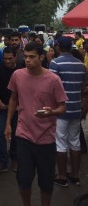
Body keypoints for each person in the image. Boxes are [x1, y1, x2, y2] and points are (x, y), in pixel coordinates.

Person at [5, 42, 67, 206]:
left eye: (32, 57)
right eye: (25, 57)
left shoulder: (54, 80)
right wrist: (8, 124)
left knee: (46, 182)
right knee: (24, 179)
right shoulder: (17, 76)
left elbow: (62, 106)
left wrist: (52, 112)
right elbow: (13, 99)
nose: (27, 60)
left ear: (41, 57)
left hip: (46, 139)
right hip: (23, 136)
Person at [49, 36, 86, 187]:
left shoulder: (55, 63)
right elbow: (83, 87)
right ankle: (75, 176)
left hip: (61, 109)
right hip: (76, 108)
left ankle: (62, 176)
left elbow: (51, 87)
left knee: (61, 143)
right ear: (71, 47)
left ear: (58, 47)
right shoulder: (81, 65)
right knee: (75, 142)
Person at [0, 47, 18, 174]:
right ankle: (3, 161)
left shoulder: (21, 69)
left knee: (16, 134)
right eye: (5, 59)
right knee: (1, 134)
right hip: (1, 107)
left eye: (10, 59)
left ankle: (15, 159)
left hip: (17, 108)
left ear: (15, 57)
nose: (7, 61)